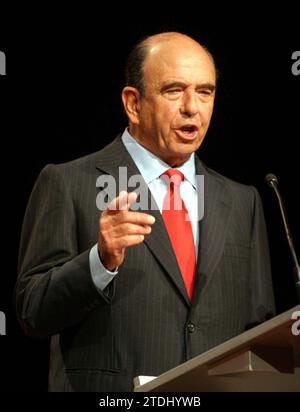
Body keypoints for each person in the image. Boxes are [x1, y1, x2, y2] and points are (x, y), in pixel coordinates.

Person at [16, 32, 275, 392]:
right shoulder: (68, 182)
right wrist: (100, 261)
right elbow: (32, 311)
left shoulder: (242, 201)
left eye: (205, 91)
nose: (192, 107)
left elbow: (257, 329)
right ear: (133, 104)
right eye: (174, 90)